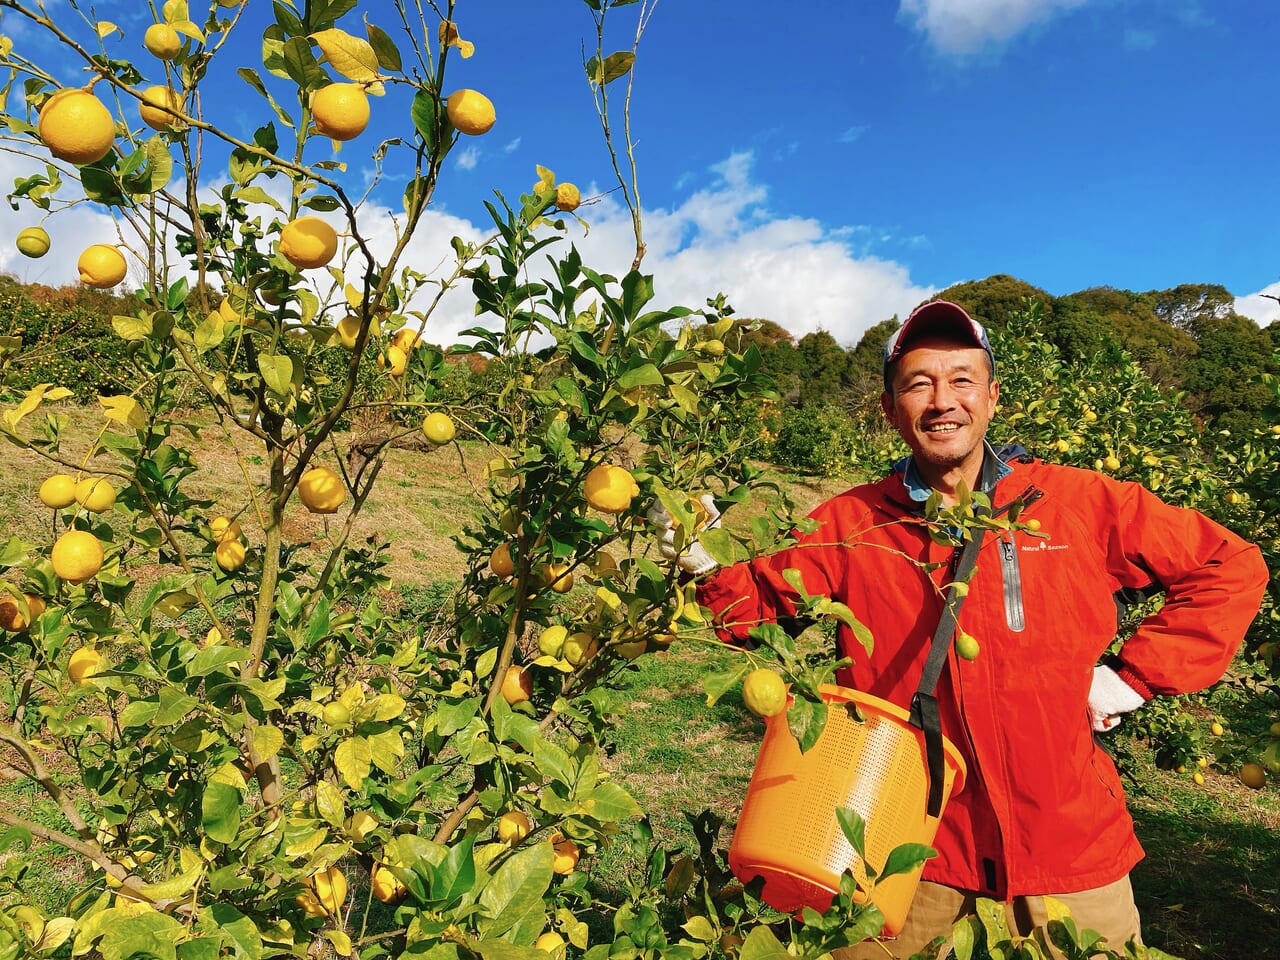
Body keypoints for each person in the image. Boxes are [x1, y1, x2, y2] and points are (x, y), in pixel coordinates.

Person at [651, 300, 1269, 959]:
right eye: (919, 384)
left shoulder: (1076, 503)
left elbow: (1228, 562)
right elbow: (746, 611)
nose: (943, 401)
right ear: (890, 410)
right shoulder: (852, 522)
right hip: (902, 844)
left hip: (1065, 843)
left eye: (961, 379)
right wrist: (694, 558)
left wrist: (1133, 676)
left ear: (992, 397)